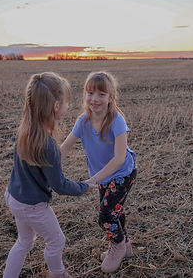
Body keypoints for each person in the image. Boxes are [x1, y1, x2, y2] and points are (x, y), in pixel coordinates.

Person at [3, 72, 94, 278]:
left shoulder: (25, 131)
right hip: (32, 206)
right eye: (66, 102)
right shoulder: (48, 146)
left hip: (15, 197)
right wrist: (84, 186)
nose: (68, 106)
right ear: (55, 106)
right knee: (56, 240)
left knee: (24, 242)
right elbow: (60, 185)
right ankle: (57, 274)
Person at [61, 71, 137, 273]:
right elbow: (66, 147)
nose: (95, 99)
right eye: (90, 92)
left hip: (122, 173)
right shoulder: (83, 121)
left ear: (111, 97)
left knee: (105, 215)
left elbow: (119, 158)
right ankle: (126, 245)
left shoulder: (116, 120)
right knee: (115, 210)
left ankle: (118, 246)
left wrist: (93, 180)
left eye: (101, 94)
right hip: (103, 177)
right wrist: (48, 167)